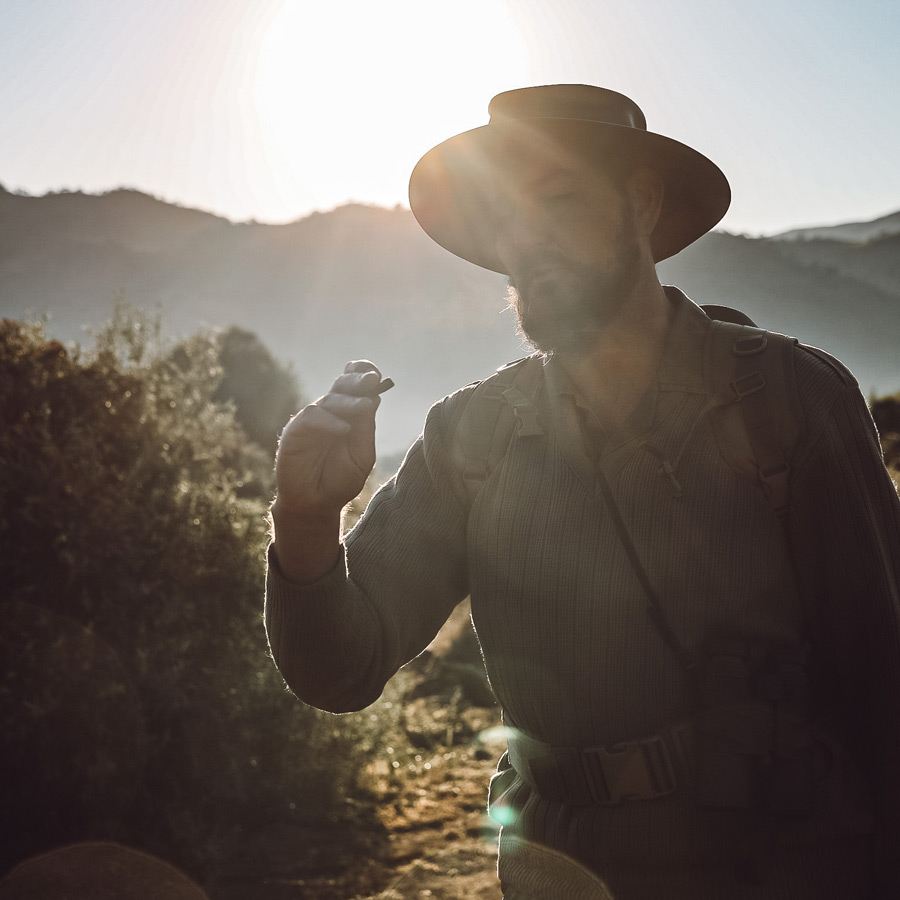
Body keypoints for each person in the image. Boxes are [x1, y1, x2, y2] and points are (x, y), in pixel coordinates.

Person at [265, 85, 900, 898]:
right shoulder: (471, 432)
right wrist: (309, 516)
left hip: (779, 865)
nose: (525, 240)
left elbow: (884, 689)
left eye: (557, 200)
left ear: (640, 201)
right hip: (557, 871)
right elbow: (339, 670)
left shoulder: (790, 398)